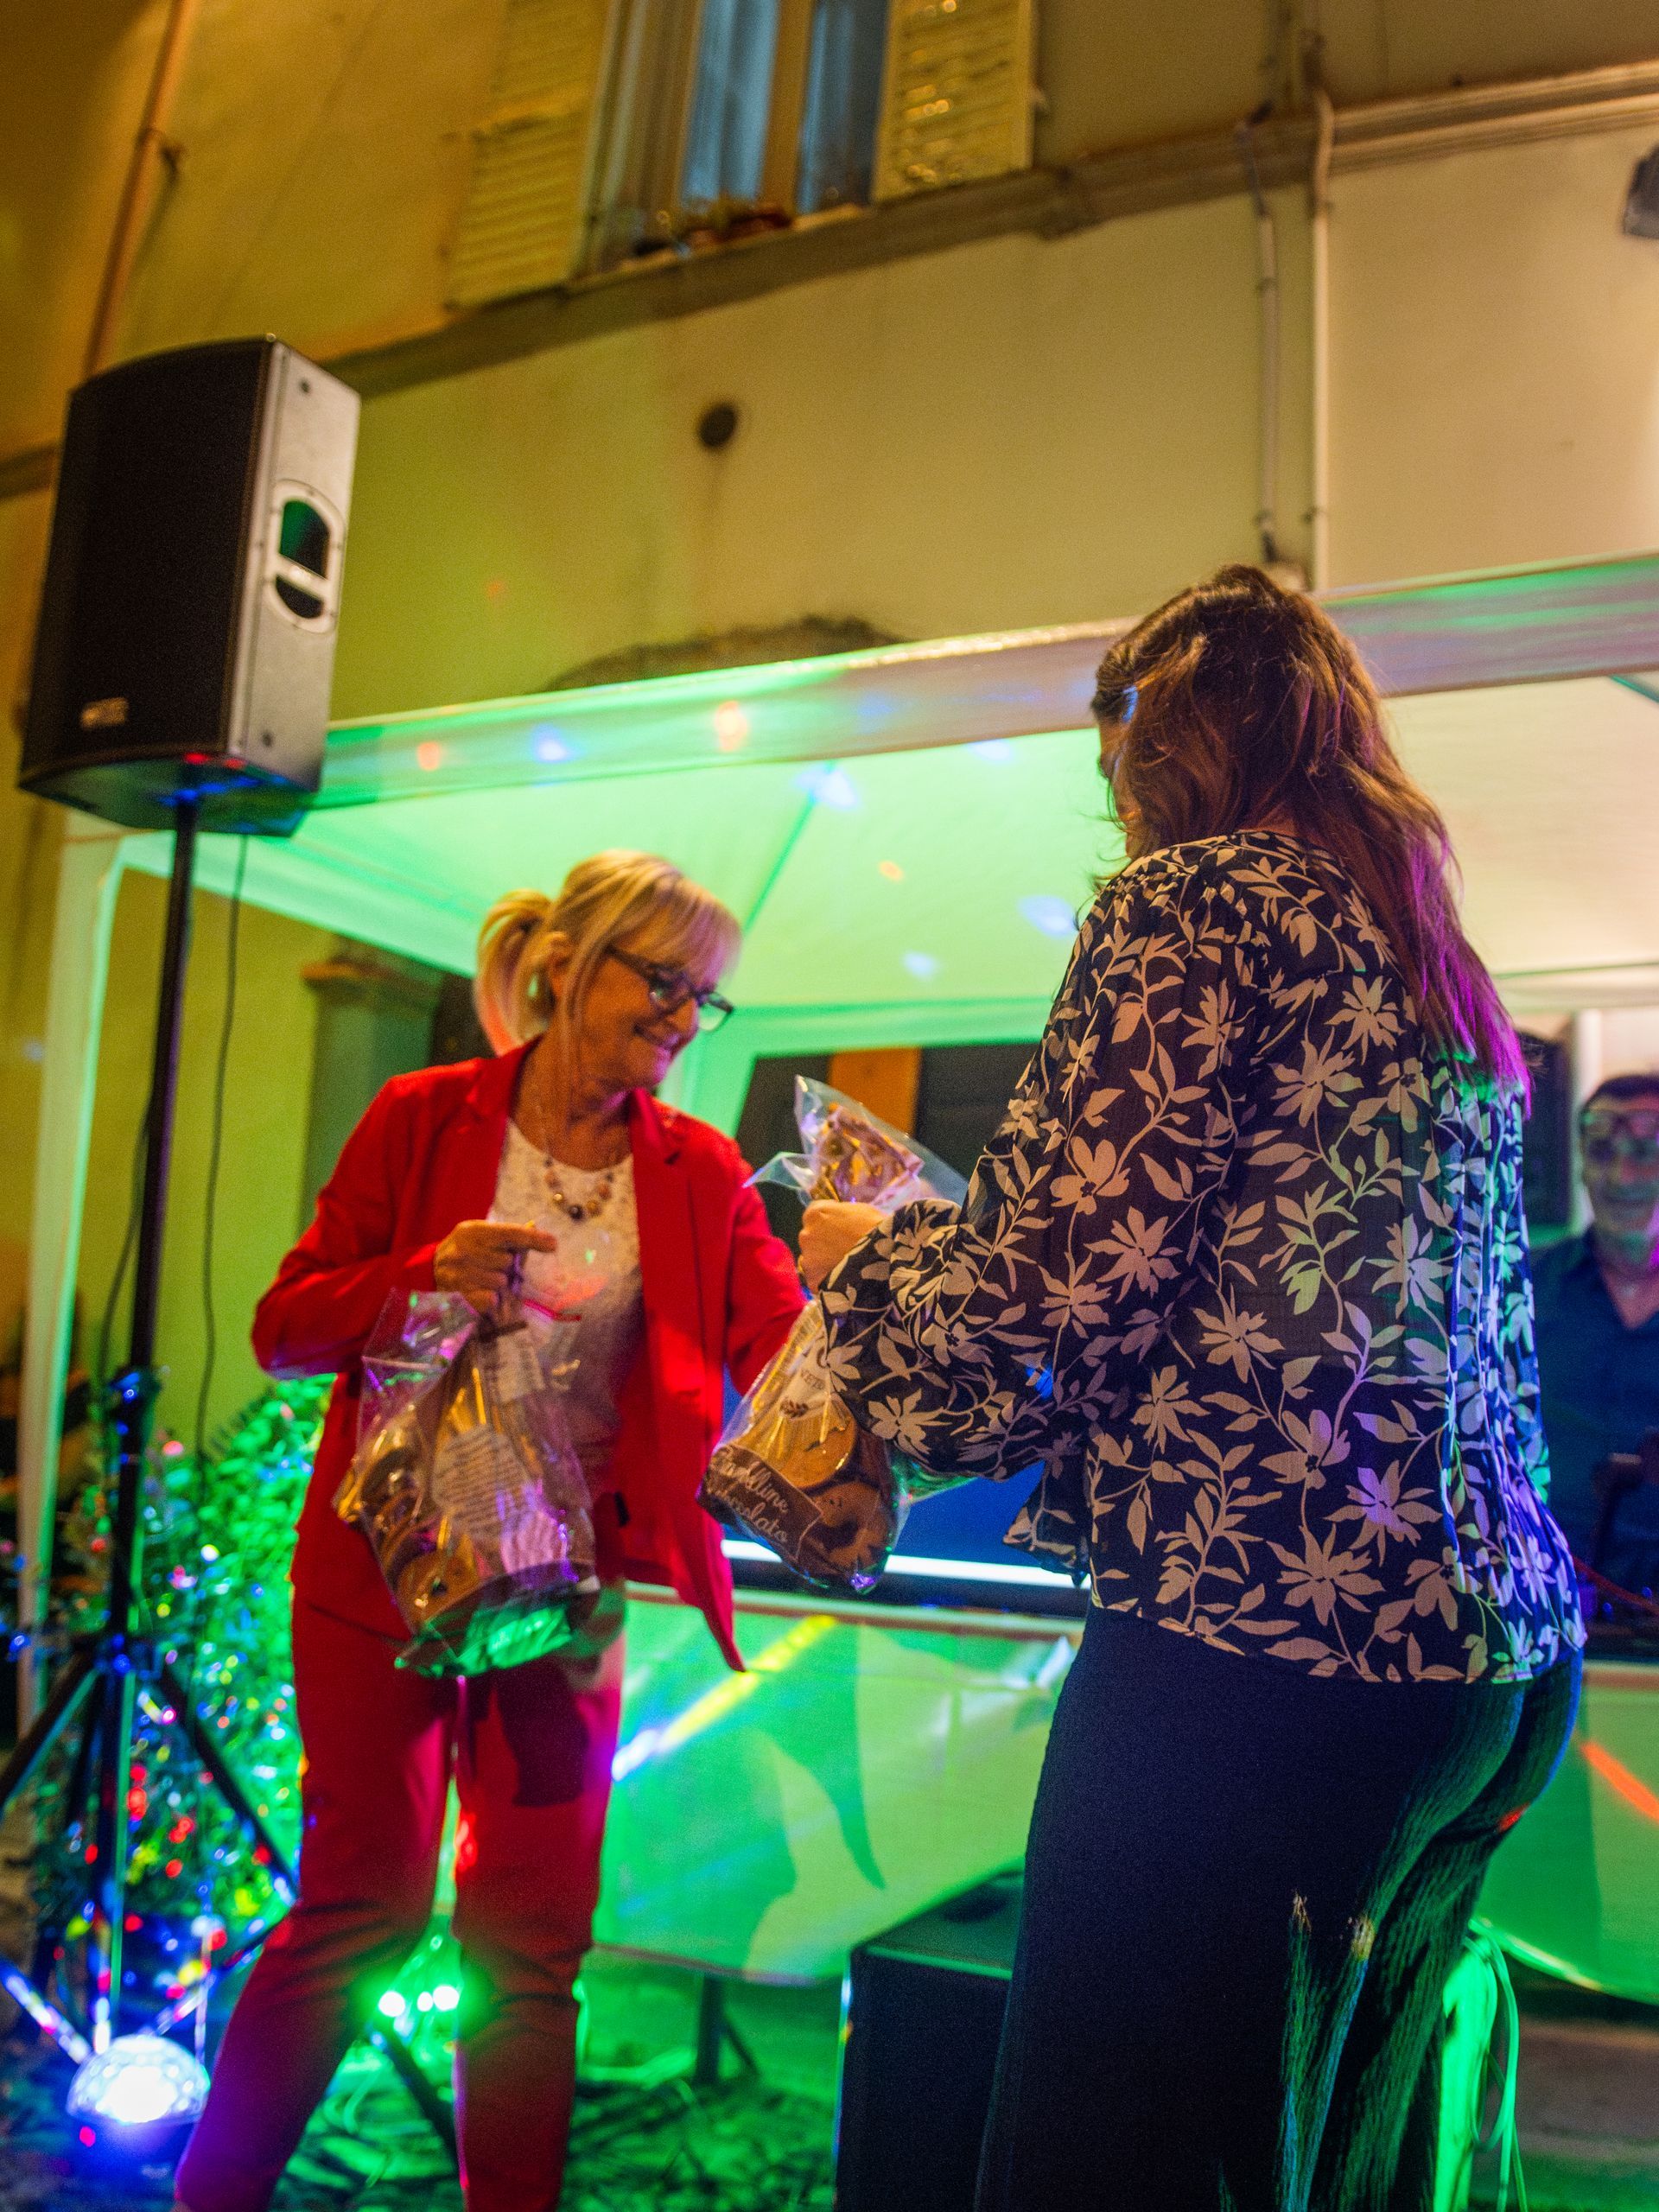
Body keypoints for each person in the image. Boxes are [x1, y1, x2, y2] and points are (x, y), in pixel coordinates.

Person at [800, 567, 1584, 2212]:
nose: (1117, 809)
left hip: (1266, 1651)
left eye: (1119, 766)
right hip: (1479, 1673)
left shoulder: (1202, 900)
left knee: (1109, 2175)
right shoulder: (1429, 957)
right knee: (1331, 2171)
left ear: (1176, 740)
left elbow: (1049, 1307)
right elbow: (1221, 1294)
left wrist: (863, 1267)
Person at [175, 852, 804, 2212]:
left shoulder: (700, 1170)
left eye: (706, 997)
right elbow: (283, 1329)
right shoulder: (422, 1117)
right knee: (363, 1908)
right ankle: (210, 2197)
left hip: (564, 1599)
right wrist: (423, 1273)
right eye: (664, 980)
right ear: (570, 963)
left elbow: (781, 1344)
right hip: (381, 1582)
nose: (685, 1017)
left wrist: (879, 1308)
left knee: (530, 1945)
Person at [1529, 1071, 1659, 1588]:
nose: (1622, 1178)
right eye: (1602, 1153)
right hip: (1551, 1590)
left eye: (1646, 1152)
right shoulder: (1524, 1286)